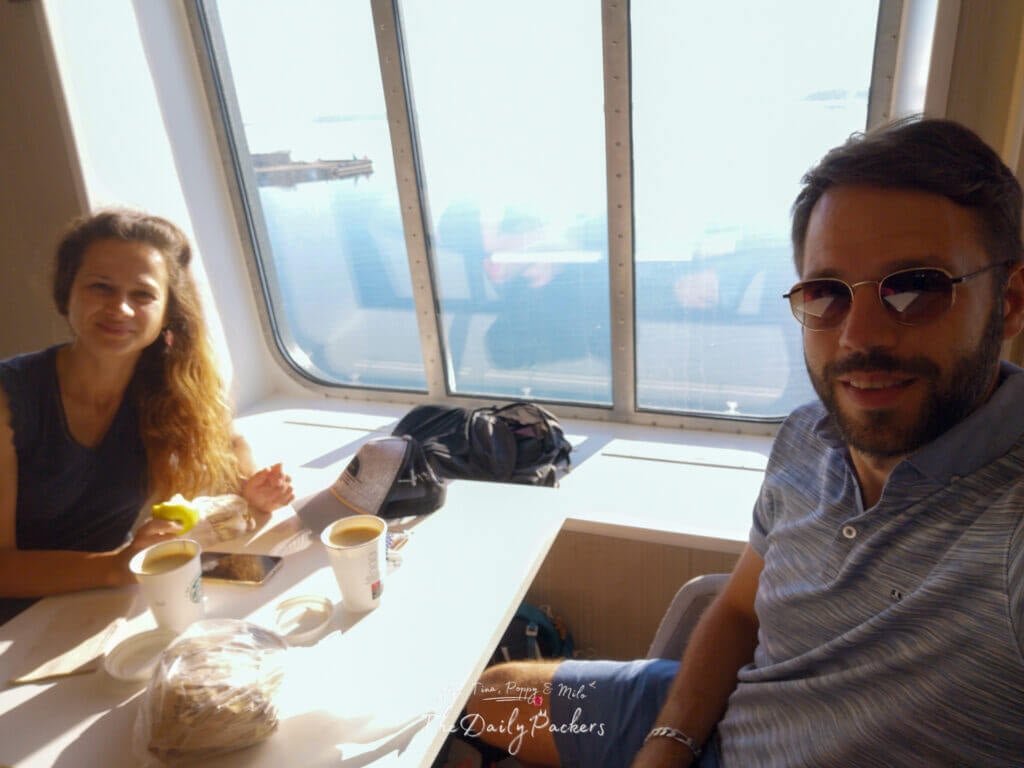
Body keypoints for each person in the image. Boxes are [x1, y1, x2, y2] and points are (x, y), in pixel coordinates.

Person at [463, 117, 1024, 767]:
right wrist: (668, 747)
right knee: (491, 699)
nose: (857, 336)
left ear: (1008, 304)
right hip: (715, 715)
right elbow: (737, 610)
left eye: (916, 288)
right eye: (828, 293)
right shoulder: (808, 437)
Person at [0, 209, 294, 624]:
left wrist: (253, 487)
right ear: (66, 293)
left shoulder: (170, 387)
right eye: (101, 287)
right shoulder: (9, 397)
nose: (119, 308)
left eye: (142, 295)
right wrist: (116, 566)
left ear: (167, 312)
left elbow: (231, 442)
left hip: (92, 603)